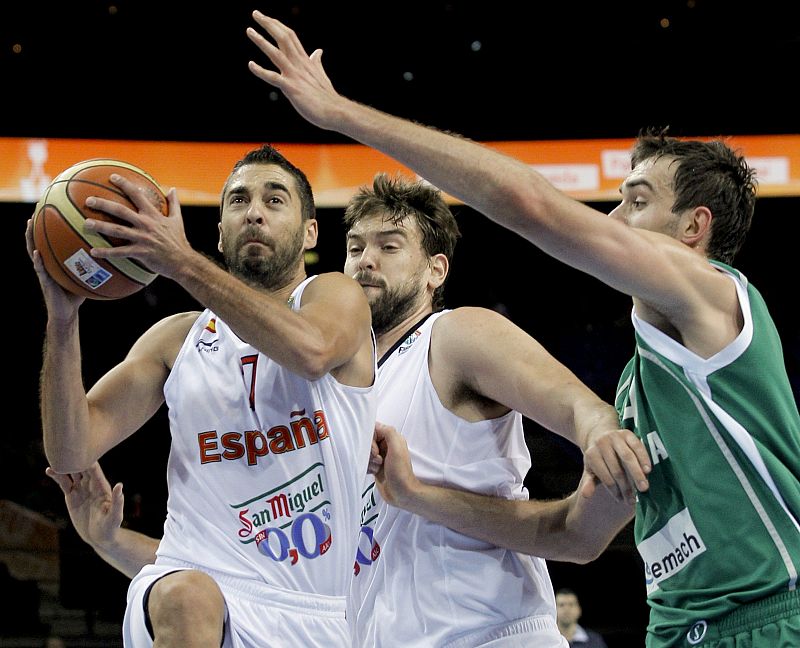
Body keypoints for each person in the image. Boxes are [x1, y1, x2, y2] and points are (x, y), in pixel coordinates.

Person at [245, 12, 800, 648]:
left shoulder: (716, 297)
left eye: (637, 201)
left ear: (694, 228)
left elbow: (530, 204)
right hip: (675, 631)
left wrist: (342, 114)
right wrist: (417, 495)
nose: (611, 217)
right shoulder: (636, 386)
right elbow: (576, 538)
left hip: (767, 615)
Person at [48, 172, 649, 647]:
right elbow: (248, 575)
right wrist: (110, 542)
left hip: (487, 635)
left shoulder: (454, 336)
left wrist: (597, 423)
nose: (365, 261)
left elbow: (576, 408)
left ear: (436, 269)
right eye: (356, 247)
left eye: (389, 247)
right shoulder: (330, 396)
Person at [28, 143, 378, 647]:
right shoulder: (176, 339)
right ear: (219, 232)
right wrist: (63, 323)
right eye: (238, 200)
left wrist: (181, 262)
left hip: (313, 613)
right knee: (189, 596)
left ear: (310, 232)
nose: (253, 212)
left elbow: (312, 351)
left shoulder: (335, 297)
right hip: (190, 583)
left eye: (274, 200)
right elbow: (69, 451)